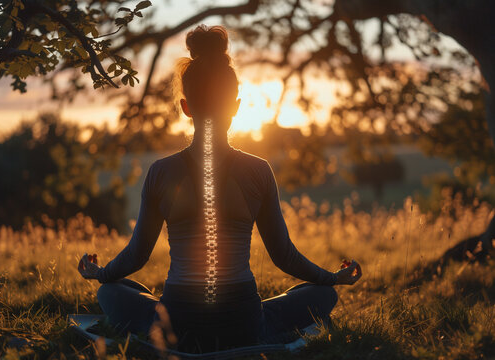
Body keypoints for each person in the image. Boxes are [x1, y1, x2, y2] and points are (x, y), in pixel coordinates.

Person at [77, 24, 362, 353]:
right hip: (243, 324)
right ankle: (261, 330)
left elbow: (137, 255)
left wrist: (102, 273)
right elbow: (285, 257)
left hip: (177, 326)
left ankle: (161, 331)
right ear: (236, 106)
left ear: (185, 107)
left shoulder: (160, 172)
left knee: (111, 291)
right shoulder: (258, 171)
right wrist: (331, 278)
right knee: (322, 295)